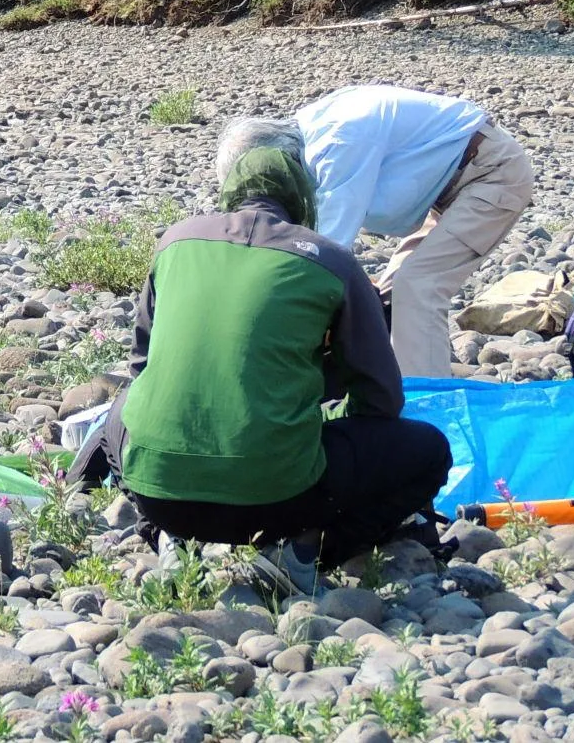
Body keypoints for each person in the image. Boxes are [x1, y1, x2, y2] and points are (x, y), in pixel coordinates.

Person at [111, 137, 451, 596]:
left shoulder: (175, 241)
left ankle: (168, 536)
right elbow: (382, 398)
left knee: (121, 412)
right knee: (428, 451)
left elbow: (142, 366)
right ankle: (303, 552)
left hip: (159, 494)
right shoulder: (331, 261)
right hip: (280, 503)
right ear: (302, 197)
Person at [227, 87, 536, 379]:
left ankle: (427, 409)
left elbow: (325, 251)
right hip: (447, 185)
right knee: (384, 299)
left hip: (492, 174)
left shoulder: (338, 144)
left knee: (418, 286)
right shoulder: (310, 134)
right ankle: (385, 393)